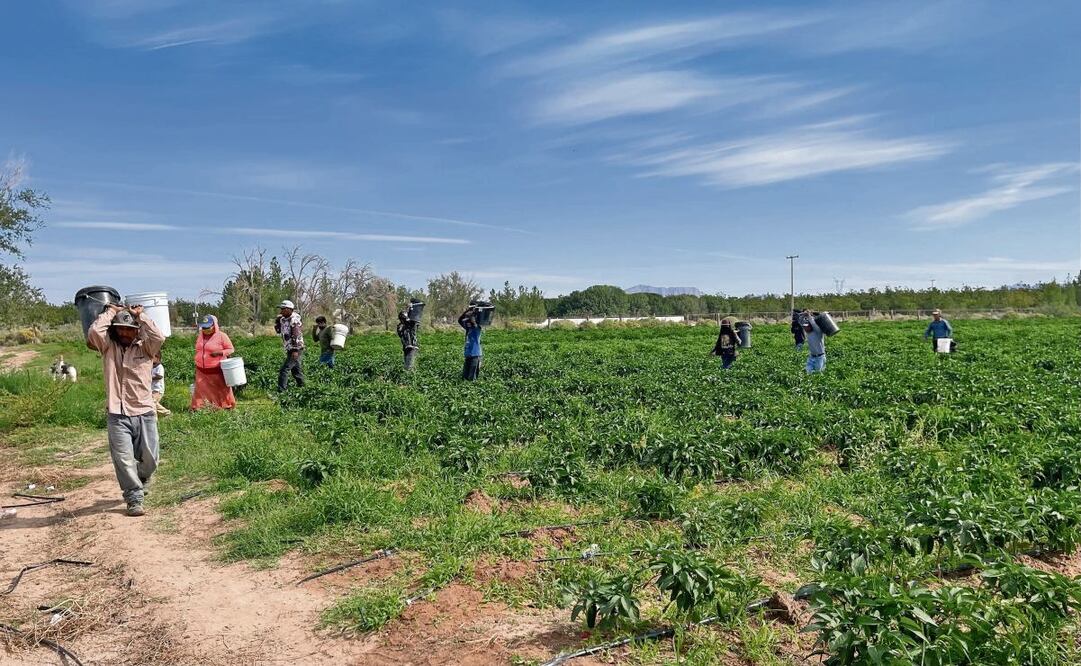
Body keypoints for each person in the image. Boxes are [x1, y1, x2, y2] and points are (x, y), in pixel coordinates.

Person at [86, 304, 164, 517]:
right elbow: (94, 332)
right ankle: (133, 497)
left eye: (129, 329)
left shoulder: (146, 349)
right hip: (117, 414)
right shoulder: (108, 347)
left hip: (144, 412)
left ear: (136, 330)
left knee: (151, 460)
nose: (124, 332)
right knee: (123, 459)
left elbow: (159, 336)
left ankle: (141, 477)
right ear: (114, 329)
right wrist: (111, 311)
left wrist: (141, 315)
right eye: (120, 328)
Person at [191, 315, 236, 410]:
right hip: (201, 369)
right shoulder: (200, 336)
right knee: (201, 390)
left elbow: (231, 349)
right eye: (203, 327)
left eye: (208, 327)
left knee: (220, 389)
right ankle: (200, 408)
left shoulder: (222, 336)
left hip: (216, 369)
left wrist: (220, 353)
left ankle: (225, 406)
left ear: (214, 325)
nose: (205, 329)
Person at [275, 299, 305, 390]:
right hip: (289, 348)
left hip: (295, 349)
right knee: (296, 371)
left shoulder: (294, 320)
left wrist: (295, 350)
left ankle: (281, 391)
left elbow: (296, 335)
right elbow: (279, 331)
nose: (281, 311)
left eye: (283, 309)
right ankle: (303, 388)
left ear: (289, 309)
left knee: (284, 370)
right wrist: (277, 322)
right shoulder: (284, 319)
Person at [458, 302, 483, 381]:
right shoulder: (468, 329)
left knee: (472, 378)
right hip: (468, 355)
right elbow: (460, 320)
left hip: (475, 355)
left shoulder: (477, 328)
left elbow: (474, 323)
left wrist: (472, 314)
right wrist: (467, 311)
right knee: (464, 377)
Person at [801, 310, 826, 374]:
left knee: (818, 375)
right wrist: (802, 315)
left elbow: (814, 324)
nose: (805, 328)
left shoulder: (818, 331)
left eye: (807, 325)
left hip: (819, 357)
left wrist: (809, 316)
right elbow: (801, 322)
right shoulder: (809, 332)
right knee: (808, 372)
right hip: (811, 356)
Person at [396, 304, 420, 371]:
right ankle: (409, 376)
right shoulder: (401, 327)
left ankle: (411, 376)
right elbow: (401, 332)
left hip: (413, 347)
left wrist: (411, 309)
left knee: (410, 365)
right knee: (408, 366)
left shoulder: (411, 325)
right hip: (407, 347)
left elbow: (414, 323)